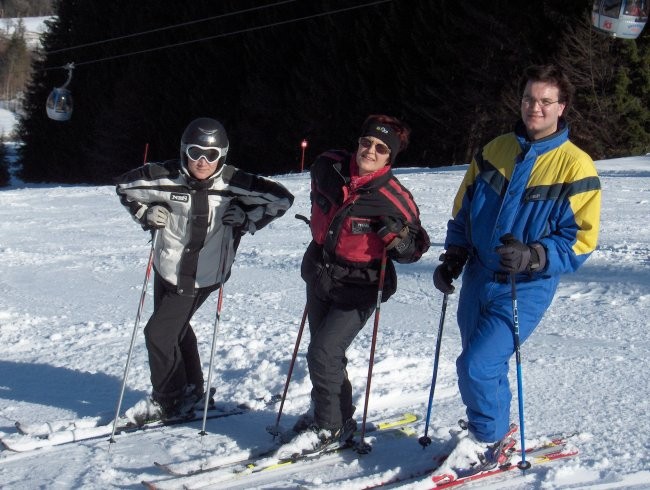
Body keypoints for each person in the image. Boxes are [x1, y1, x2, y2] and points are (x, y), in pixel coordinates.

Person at [432, 64, 601, 474]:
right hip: (479, 274)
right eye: (529, 98)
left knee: (478, 364)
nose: (535, 107)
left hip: (525, 284)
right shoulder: (495, 150)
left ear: (561, 108)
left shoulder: (576, 167)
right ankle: (486, 425)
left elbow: (581, 238)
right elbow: (465, 209)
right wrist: (454, 255)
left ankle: (489, 440)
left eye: (545, 101)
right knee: (476, 361)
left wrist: (534, 254)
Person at [115, 117, 294, 421]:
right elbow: (125, 188)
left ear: (222, 156)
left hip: (203, 274)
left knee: (158, 334)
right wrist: (147, 213)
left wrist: (248, 218)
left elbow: (282, 199)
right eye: (196, 152)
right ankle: (192, 391)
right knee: (177, 330)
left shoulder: (233, 182)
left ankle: (168, 399)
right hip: (166, 266)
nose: (202, 161)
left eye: (211, 155)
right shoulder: (164, 176)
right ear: (184, 151)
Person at [297, 114, 430, 451]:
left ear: (390, 157)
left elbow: (416, 246)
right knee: (328, 355)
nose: (370, 150)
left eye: (381, 148)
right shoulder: (328, 167)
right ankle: (335, 415)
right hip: (322, 273)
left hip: (361, 285)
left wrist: (397, 240)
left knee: (323, 352)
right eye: (367, 142)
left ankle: (329, 429)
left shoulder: (394, 196)